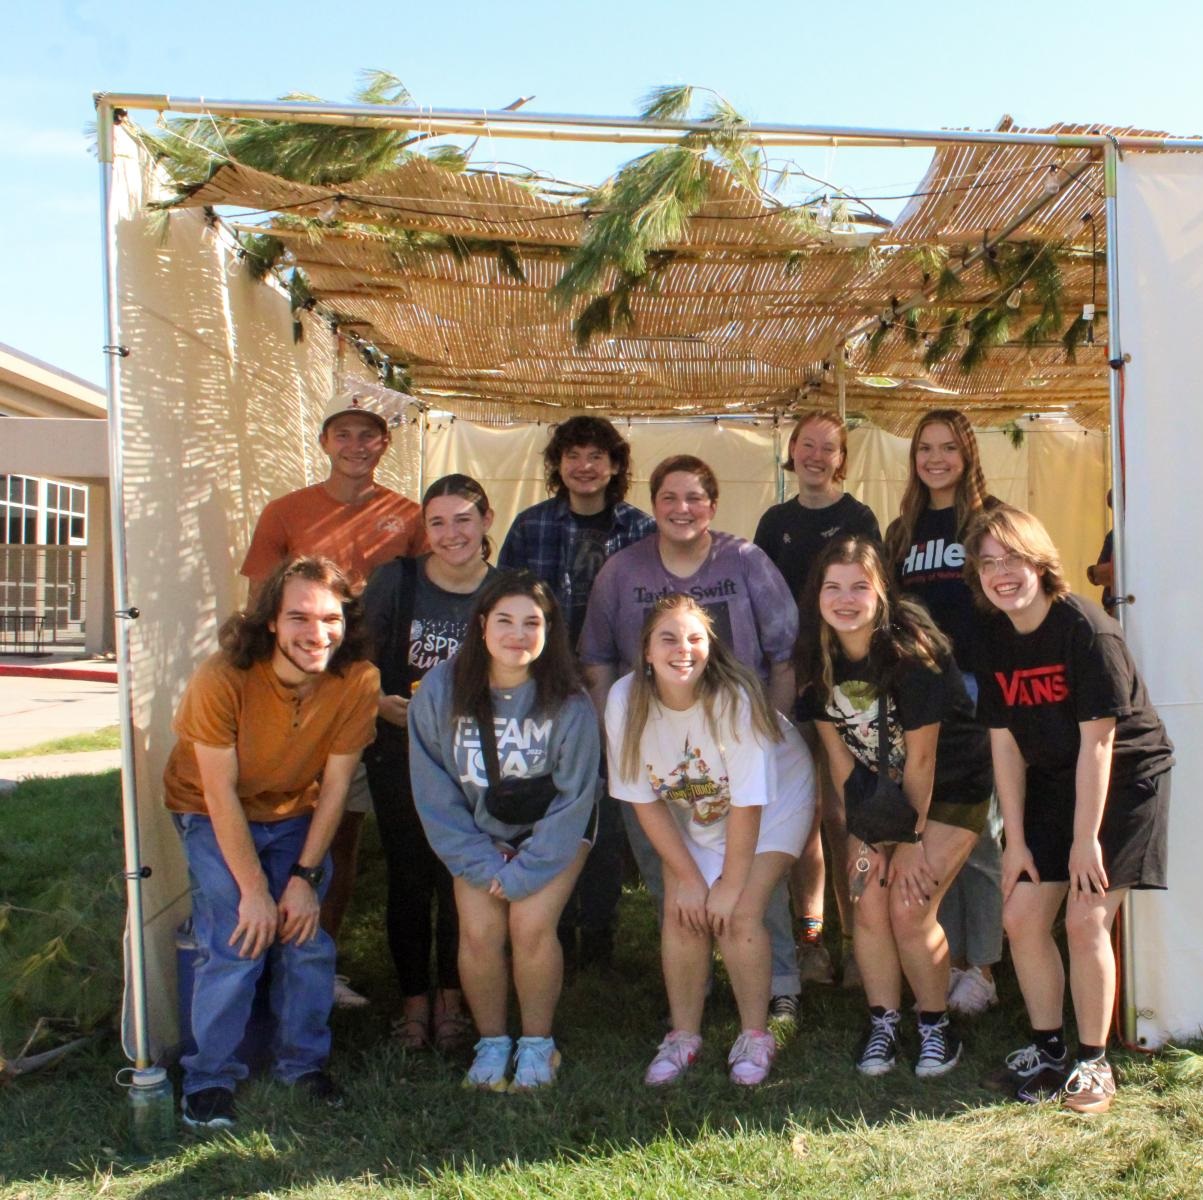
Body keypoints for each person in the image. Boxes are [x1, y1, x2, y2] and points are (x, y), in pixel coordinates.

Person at [579, 454, 804, 1023]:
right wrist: (621, 739)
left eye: (695, 497)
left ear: (714, 505)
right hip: (656, 750)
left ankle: (778, 979)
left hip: (740, 745)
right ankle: (692, 982)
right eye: (670, 498)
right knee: (670, 868)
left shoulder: (747, 561)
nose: (683, 509)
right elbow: (599, 658)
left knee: (749, 868)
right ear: (651, 506)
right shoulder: (622, 571)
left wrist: (769, 733)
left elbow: (784, 653)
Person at [964, 504, 1173, 1114]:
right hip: (1057, 778)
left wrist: (1086, 841)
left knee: (1085, 919)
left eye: (1013, 559)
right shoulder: (993, 636)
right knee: (1023, 915)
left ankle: (1093, 1062)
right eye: (988, 563)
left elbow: (1100, 742)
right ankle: (1050, 1048)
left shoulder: (1086, 628)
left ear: (1039, 560)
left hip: (1126, 780)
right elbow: (1003, 742)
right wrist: (1017, 842)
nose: (1002, 574)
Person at [163, 556, 379, 1130]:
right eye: (299, 618)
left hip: (295, 812)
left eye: (330, 618)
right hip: (211, 809)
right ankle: (208, 1079)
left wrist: (306, 880)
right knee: (239, 935)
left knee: (306, 939)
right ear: (270, 624)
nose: (317, 633)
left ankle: (302, 1065)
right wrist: (255, 889)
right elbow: (218, 793)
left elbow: (336, 790)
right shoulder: (222, 677)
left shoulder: (358, 679)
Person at [241, 390, 427, 1010]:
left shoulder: (409, 517)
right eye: (342, 434)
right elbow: (257, 610)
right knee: (293, 827)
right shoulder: (285, 512)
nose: (355, 445)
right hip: (302, 698)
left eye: (368, 434)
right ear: (324, 442)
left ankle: (321, 960)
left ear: (385, 444)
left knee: (342, 834)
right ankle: (268, 956)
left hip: (377, 693)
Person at [796, 536, 993, 1078]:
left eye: (859, 586)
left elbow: (924, 762)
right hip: (876, 797)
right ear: (816, 595)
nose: (845, 598)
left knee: (909, 904)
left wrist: (906, 842)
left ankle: (935, 1026)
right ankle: (883, 1020)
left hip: (950, 790)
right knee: (866, 900)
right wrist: (867, 836)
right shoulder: (817, 659)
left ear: (882, 591)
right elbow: (839, 763)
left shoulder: (914, 656)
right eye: (833, 587)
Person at [606, 595, 813, 1086]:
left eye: (695, 638)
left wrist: (728, 882)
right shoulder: (624, 700)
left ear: (710, 647)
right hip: (698, 808)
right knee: (684, 907)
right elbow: (643, 799)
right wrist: (690, 877)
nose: (683, 650)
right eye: (669, 638)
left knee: (739, 910)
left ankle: (755, 1034)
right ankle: (684, 1034)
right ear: (647, 650)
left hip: (775, 800)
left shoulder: (733, 700)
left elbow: (749, 802)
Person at [407, 571, 600, 1091]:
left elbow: (576, 796)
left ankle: (538, 1044)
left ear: (549, 630)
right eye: (506, 621)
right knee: (479, 931)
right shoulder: (441, 690)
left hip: (554, 832)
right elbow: (434, 790)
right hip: (477, 833)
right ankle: (492, 1041)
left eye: (532, 623)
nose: (518, 634)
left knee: (530, 926)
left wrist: (526, 871)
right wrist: (480, 861)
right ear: (482, 625)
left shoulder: (571, 702)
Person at [499, 415, 656, 971]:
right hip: (545, 686)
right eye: (572, 455)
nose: (584, 467)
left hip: (618, 687)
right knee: (552, 801)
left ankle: (600, 924)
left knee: (608, 805)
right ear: (557, 464)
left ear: (614, 467)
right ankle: (556, 919)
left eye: (596, 457)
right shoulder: (530, 526)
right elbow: (505, 606)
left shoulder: (640, 529)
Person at [361, 474, 497, 1052]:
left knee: (463, 879)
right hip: (402, 752)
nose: (451, 534)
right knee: (410, 878)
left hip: (482, 761)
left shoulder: (508, 590)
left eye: (463, 519)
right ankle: (413, 1003)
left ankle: (453, 1000)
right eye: (437, 522)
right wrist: (375, 698)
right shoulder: (398, 580)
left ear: (487, 521)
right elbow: (356, 658)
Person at [754, 410, 881, 988]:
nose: (815, 455)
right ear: (792, 450)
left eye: (828, 447)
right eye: (807, 444)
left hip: (846, 685)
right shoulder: (774, 521)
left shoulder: (858, 517)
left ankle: (859, 937)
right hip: (789, 684)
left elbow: (873, 598)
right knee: (800, 817)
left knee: (844, 812)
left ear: (841, 459)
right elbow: (758, 606)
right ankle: (810, 940)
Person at [884, 409, 1003, 1017]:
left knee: (977, 832)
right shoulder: (900, 530)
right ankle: (943, 954)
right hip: (919, 699)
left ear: (968, 454)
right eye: (924, 448)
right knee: (931, 826)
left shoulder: (990, 522)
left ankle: (980, 966)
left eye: (947, 448)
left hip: (980, 692)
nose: (935, 459)